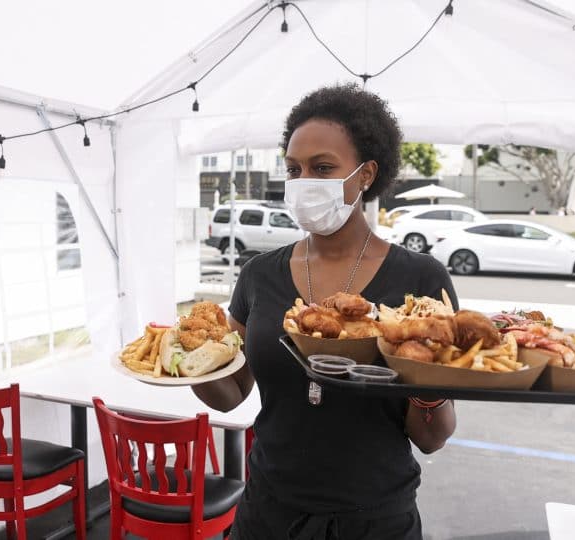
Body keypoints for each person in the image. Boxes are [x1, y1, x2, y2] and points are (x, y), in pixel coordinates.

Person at [192, 84, 457, 539]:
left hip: (375, 518)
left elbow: (432, 437)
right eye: (294, 169)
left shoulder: (420, 281)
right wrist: (187, 361)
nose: (303, 182)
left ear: (366, 174)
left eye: (322, 168)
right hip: (269, 512)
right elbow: (232, 390)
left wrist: (426, 382)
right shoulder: (259, 275)